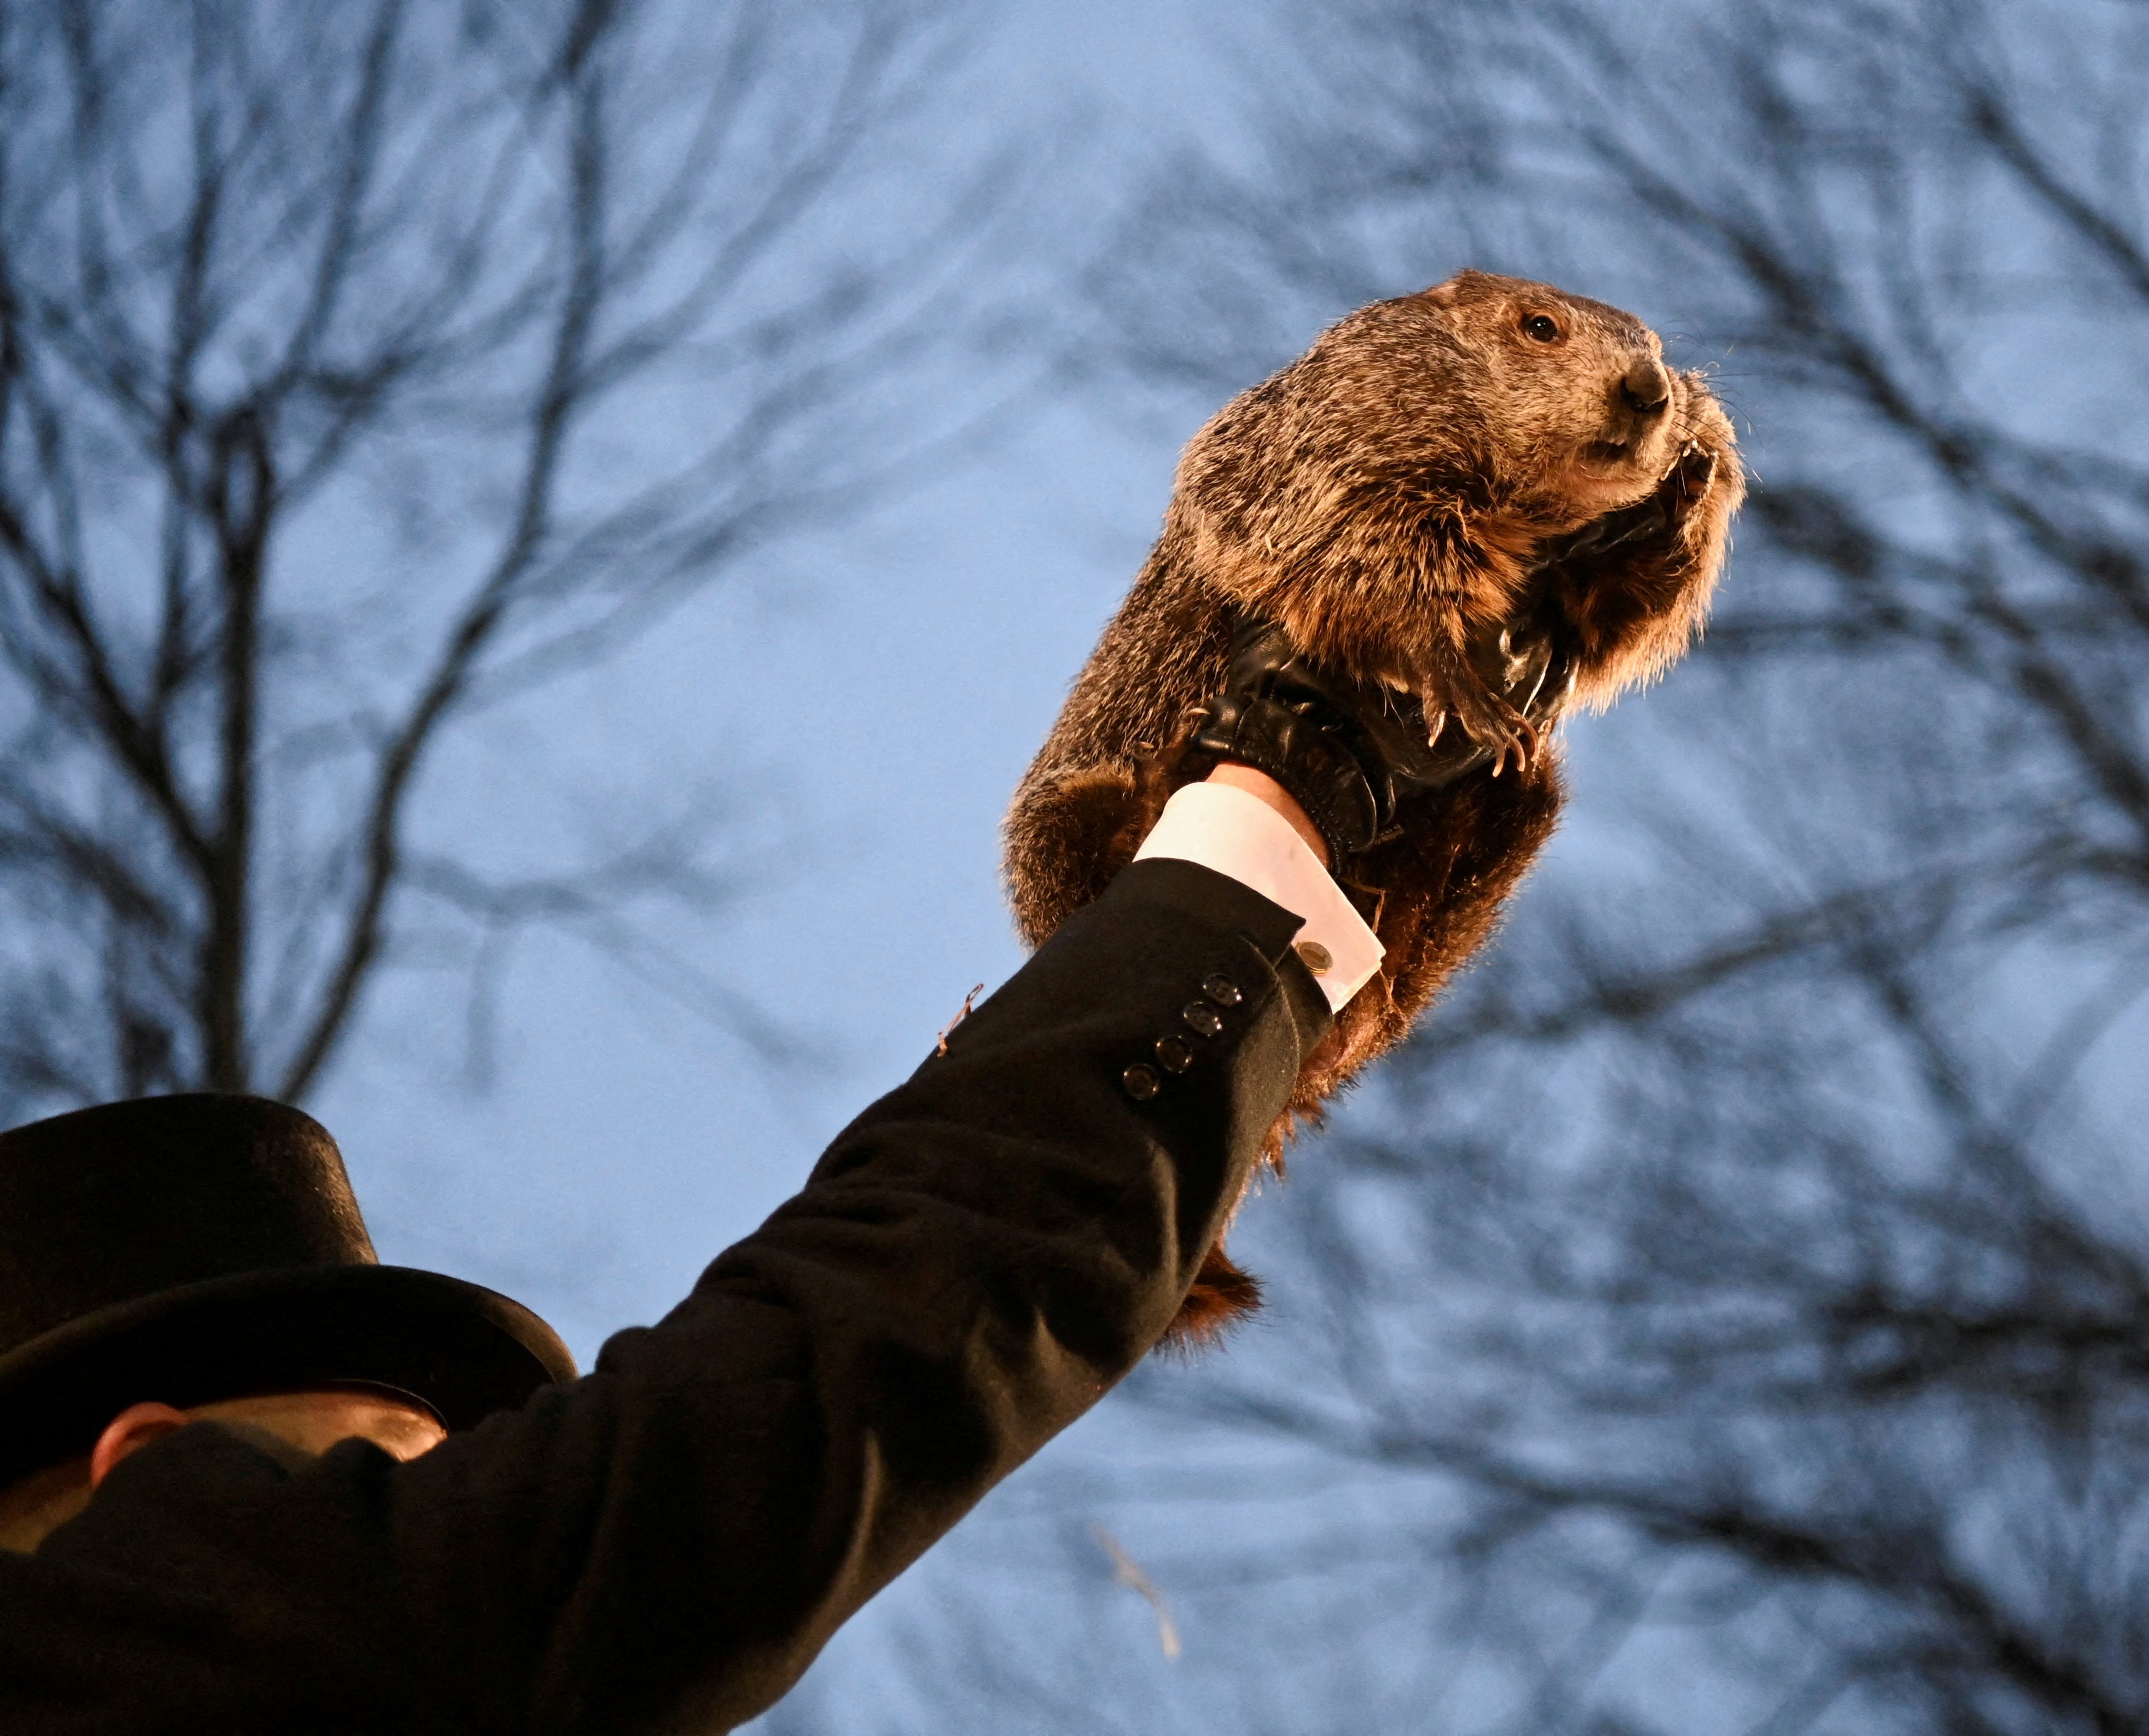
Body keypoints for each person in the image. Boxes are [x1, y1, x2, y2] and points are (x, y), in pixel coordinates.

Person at [0, 629, 1534, 1733]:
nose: (479, 1507)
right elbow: (836, 1367)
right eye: (394, 1479)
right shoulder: (163, 1653)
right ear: (151, 1470)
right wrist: (1283, 799)